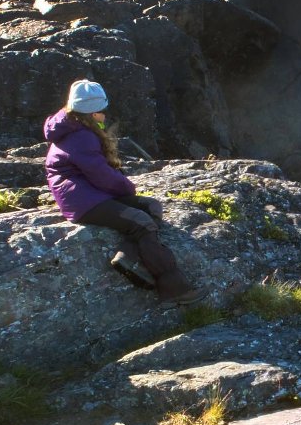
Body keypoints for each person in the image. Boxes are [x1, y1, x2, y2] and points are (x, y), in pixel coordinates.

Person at [44, 79, 206, 306]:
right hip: (83, 202)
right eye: (102, 110)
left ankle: (126, 256)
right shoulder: (81, 136)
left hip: (92, 195)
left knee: (151, 207)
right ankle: (174, 290)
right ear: (92, 113)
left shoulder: (75, 128)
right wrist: (127, 188)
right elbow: (101, 175)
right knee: (141, 221)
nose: (104, 115)